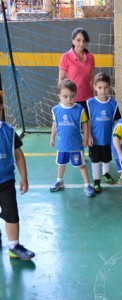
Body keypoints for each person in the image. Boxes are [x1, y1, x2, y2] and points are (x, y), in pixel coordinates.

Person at [0, 94, 35, 260]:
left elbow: (19, 156)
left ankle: (14, 246)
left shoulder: (8, 131)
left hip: (6, 181)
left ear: (1, 108)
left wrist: (24, 178)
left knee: (11, 213)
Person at [50, 79, 95, 197]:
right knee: (61, 163)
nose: (69, 100)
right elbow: (55, 124)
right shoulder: (55, 110)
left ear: (76, 95)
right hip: (62, 145)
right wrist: (52, 137)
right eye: (65, 96)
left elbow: (85, 123)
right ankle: (59, 181)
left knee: (81, 165)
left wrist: (86, 137)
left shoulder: (80, 110)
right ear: (59, 96)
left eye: (72, 96)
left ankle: (87, 185)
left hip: (76, 145)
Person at [87, 72, 121, 193]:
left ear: (109, 88)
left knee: (106, 159)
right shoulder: (90, 103)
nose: (103, 90)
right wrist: (88, 135)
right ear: (95, 87)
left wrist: (117, 137)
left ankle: (105, 173)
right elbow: (87, 121)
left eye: (106, 87)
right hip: (94, 140)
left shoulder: (113, 104)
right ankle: (96, 180)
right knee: (95, 160)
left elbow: (117, 122)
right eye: (100, 87)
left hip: (108, 139)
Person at [58, 28, 95, 115]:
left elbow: (92, 79)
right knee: (74, 127)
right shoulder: (65, 57)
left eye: (84, 41)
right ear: (73, 40)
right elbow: (61, 79)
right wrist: (64, 98)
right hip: (72, 100)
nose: (81, 43)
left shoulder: (90, 57)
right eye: (78, 40)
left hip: (88, 100)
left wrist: (94, 97)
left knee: (88, 126)